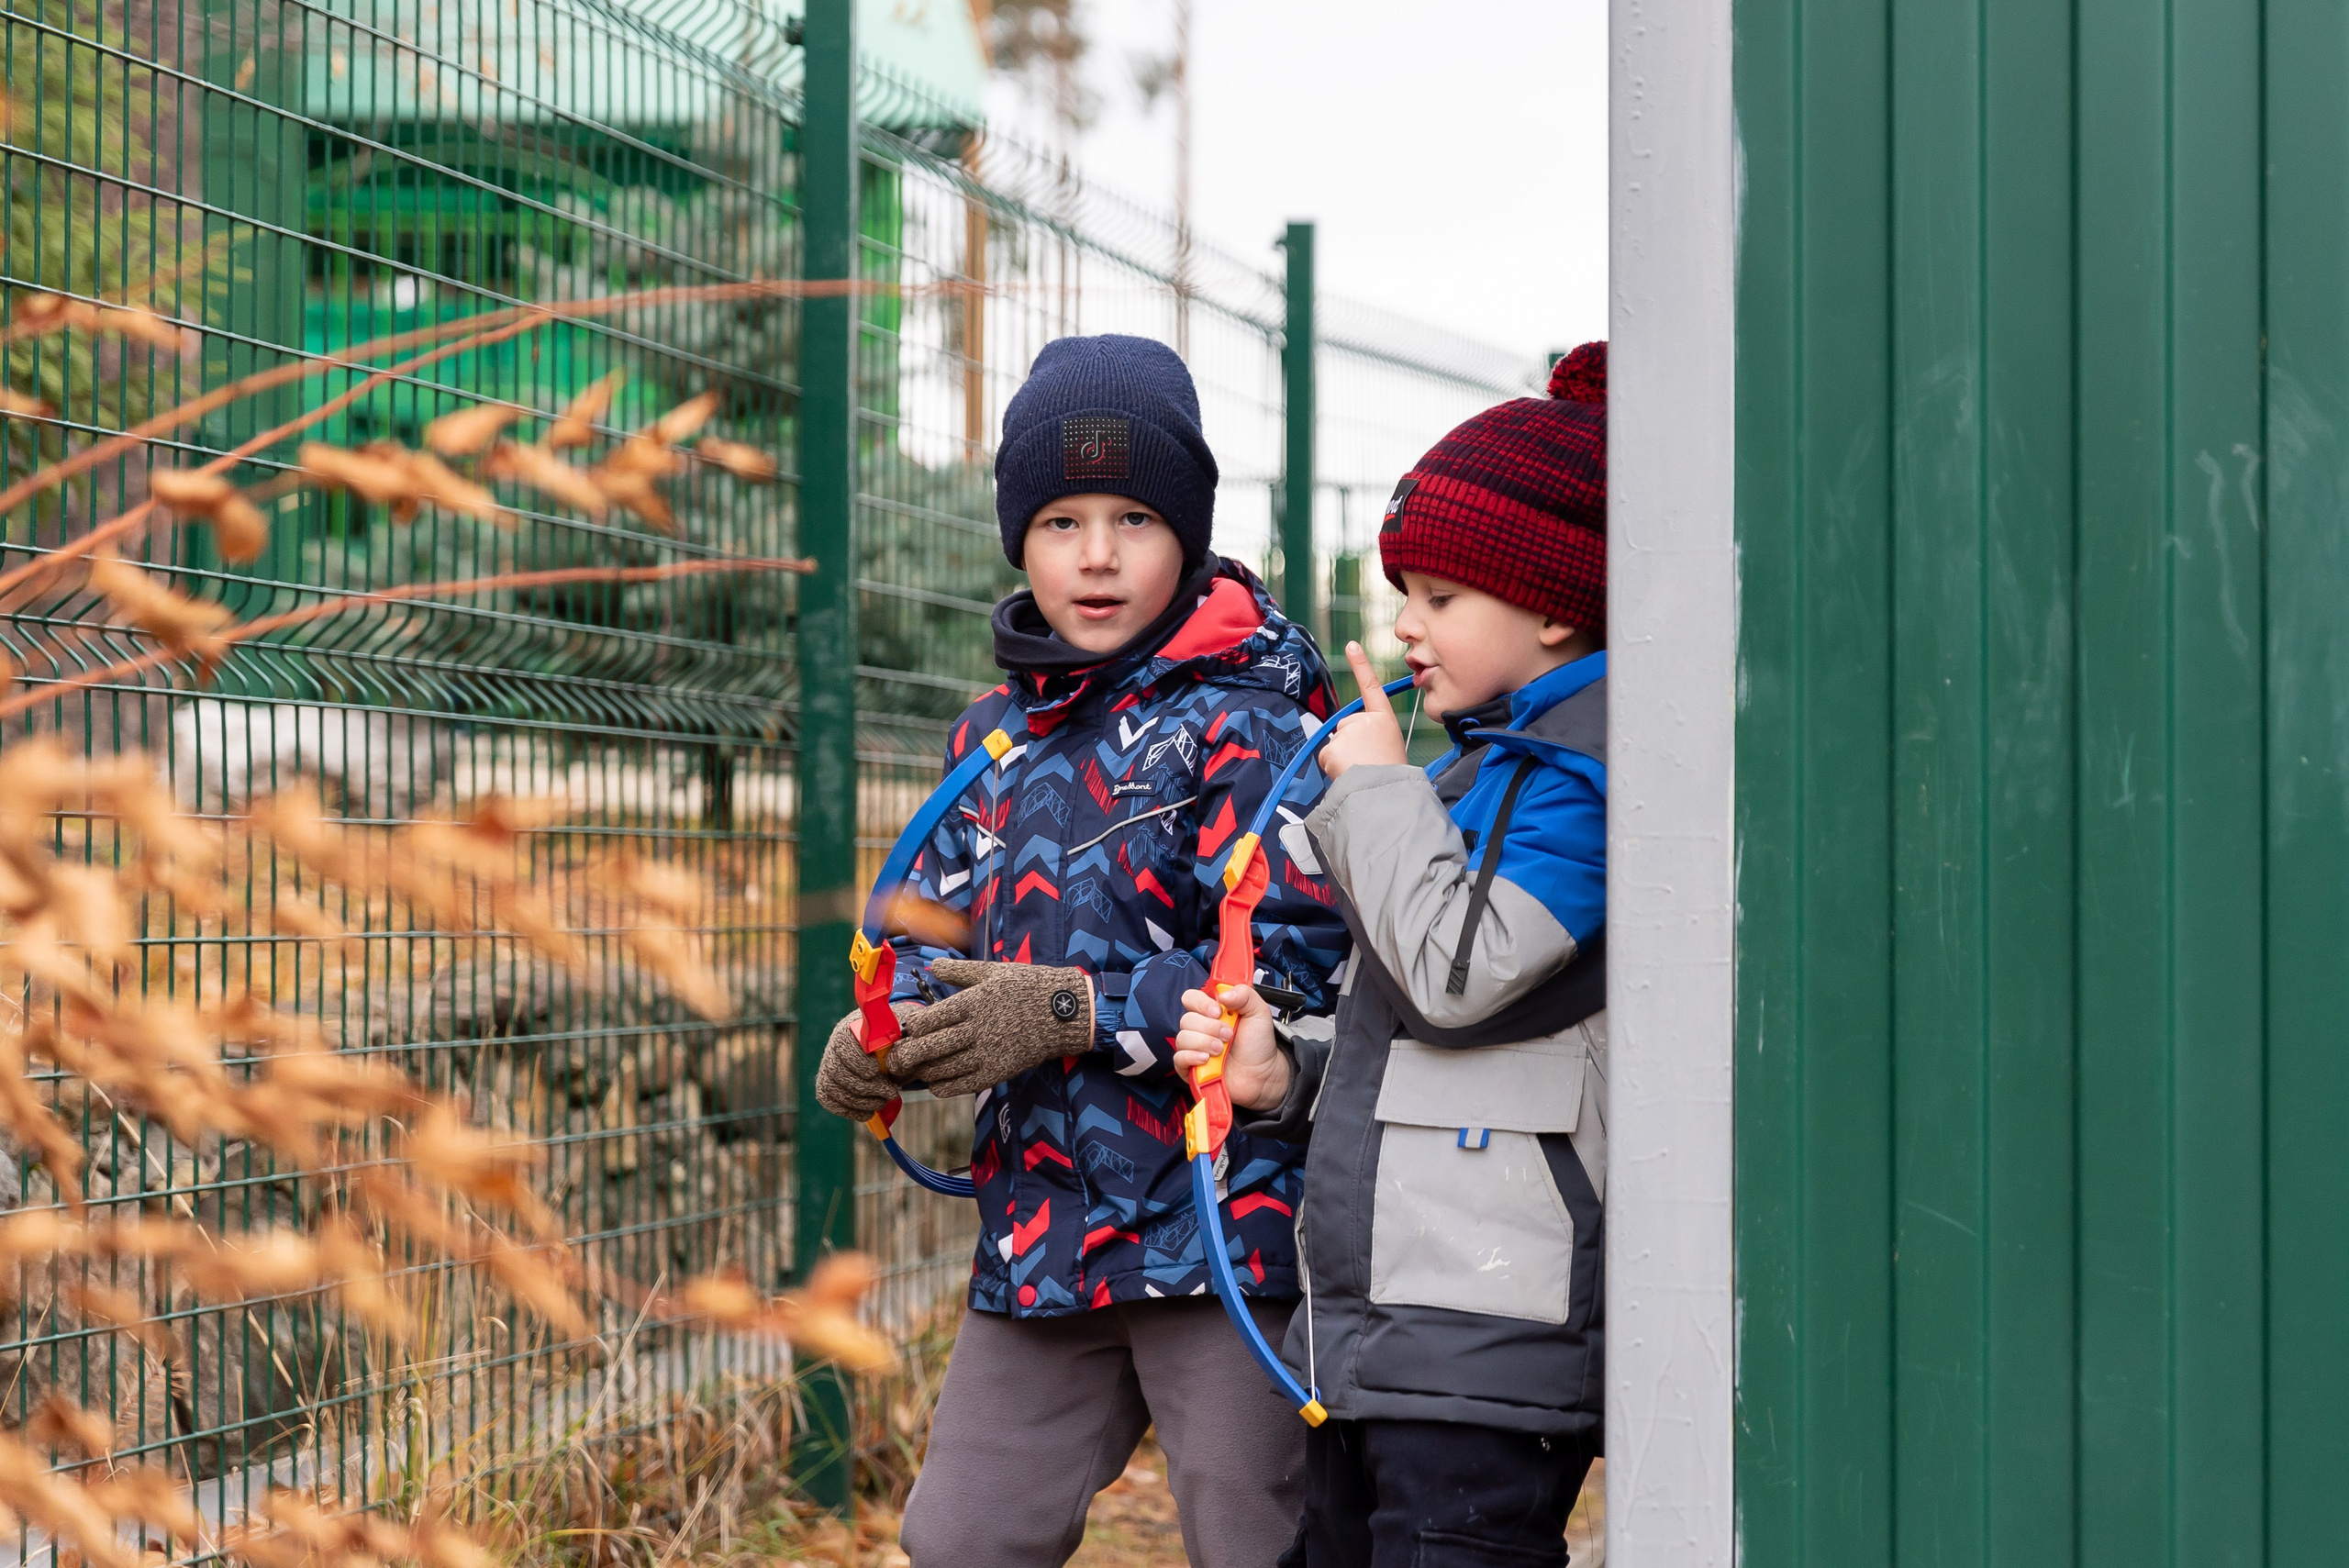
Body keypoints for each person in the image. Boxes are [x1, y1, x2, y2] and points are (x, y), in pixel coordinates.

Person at [812, 334, 1347, 1568]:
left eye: (1131, 518)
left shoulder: (1255, 723)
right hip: (1043, 1231)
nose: (1095, 554)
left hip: (1224, 1230)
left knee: (1261, 1539)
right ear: (1020, 535)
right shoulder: (993, 732)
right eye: (1059, 519)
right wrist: (880, 1034)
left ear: (1190, 531)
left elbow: (1286, 978)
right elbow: (926, 932)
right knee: (960, 1538)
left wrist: (1068, 1011)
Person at [1174, 343, 1612, 1568]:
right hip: (1411, 1316)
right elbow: (1414, 1029)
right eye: (1403, 592)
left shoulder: (1580, 777)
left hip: (1485, 1324)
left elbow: (1457, 971)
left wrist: (1375, 789)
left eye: (1438, 596)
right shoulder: (1487, 770)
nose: (1406, 627)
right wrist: (1290, 1071)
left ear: (1554, 603)